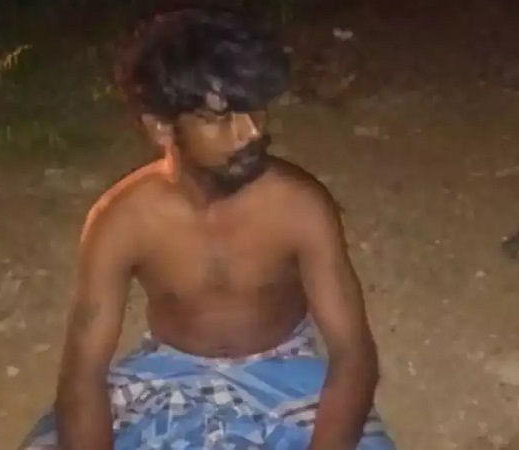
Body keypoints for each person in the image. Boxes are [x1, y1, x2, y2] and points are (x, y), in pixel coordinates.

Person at [20, 7, 396, 450]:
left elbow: (353, 353)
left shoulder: (299, 206)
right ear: (162, 129)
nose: (251, 132)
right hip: (166, 371)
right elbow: (83, 370)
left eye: (254, 107)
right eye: (220, 117)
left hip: (288, 373)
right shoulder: (122, 220)